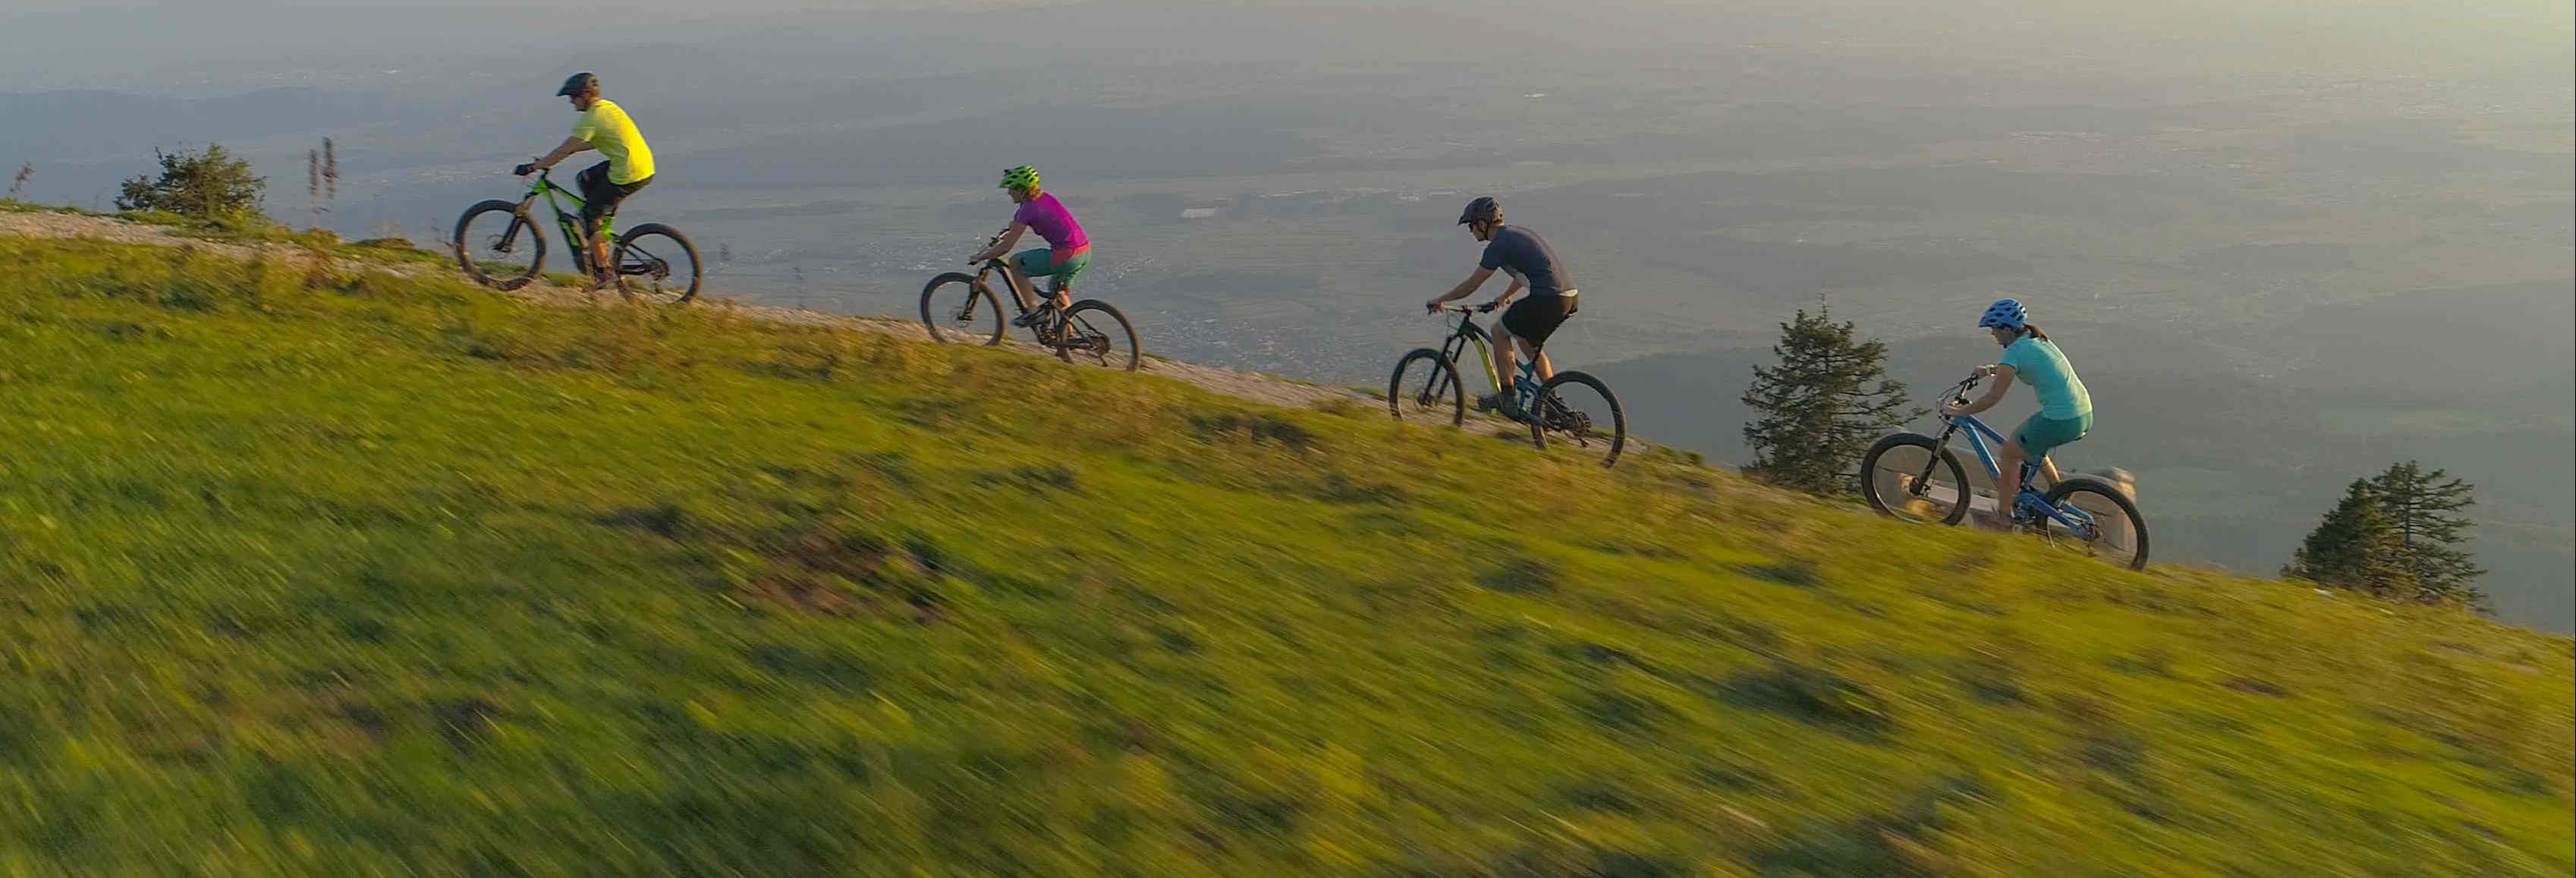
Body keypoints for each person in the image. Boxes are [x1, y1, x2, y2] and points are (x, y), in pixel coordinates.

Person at [1421, 196, 1579, 419]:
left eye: (1471, 225)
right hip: (1568, 297)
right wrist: (1504, 297)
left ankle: (1507, 398)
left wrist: (1441, 301)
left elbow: (1472, 285)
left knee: (1499, 332)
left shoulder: (1498, 246)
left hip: (1548, 298)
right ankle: (1553, 404)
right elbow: (1525, 272)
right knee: (1527, 343)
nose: (1470, 230)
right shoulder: (1516, 235)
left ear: (1483, 223)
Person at [1943, 298, 2093, 530]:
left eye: (1994, 330)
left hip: (2062, 419)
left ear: (2006, 330)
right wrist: (1990, 370)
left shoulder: (2014, 352)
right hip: (2081, 413)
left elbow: (1993, 398)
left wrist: (1960, 411)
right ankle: (2058, 492)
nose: (1992, 335)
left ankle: (2004, 518)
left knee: (2010, 454)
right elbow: (2017, 366)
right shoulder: (2038, 340)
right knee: (2030, 444)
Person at [515, 72, 655, 288]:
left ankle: (604, 271)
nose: (571, 102)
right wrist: (557, 156)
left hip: (627, 173)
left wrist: (535, 166)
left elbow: (565, 149)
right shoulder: (607, 108)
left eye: (573, 97)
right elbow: (592, 142)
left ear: (587, 95)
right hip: (639, 166)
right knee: (584, 179)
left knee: (589, 216)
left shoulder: (590, 119)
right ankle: (599, 229)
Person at [967, 166, 1092, 327]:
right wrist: (1012, 228)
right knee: (1057, 291)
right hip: (1084, 252)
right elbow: (1021, 223)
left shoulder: (1027, 209)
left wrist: (981, 257)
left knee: (1015, 263)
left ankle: (1033, 312)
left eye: (1011, 188)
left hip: (1066, 256)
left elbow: (1005, 247)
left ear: (1021, 189)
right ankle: (1066, 339)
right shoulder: (1045, 198)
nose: (1009, 193)